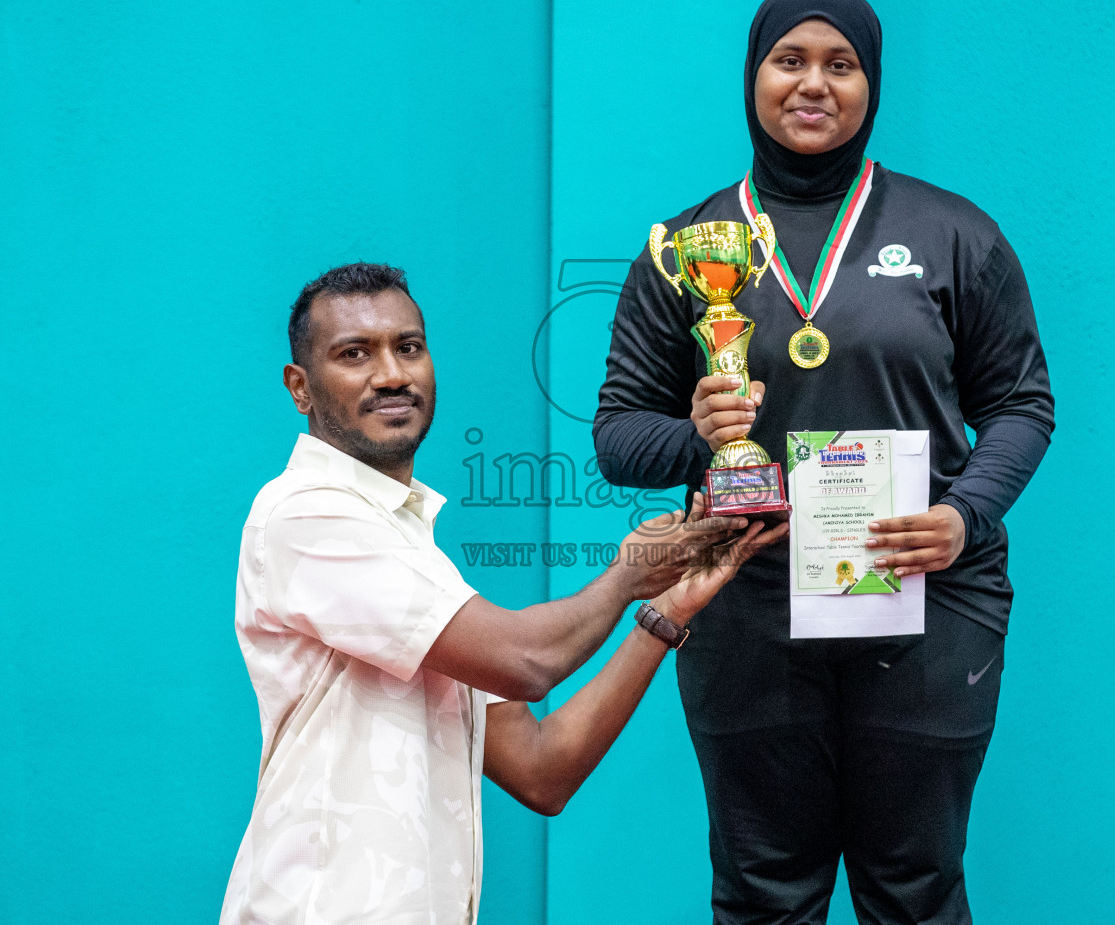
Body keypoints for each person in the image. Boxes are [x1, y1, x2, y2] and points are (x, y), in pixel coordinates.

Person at [594, 0, 1055, 924]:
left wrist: (965, 518)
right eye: (789, 61)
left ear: (871, 83)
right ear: (753, 76)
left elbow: (1021, 404)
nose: (814, 85)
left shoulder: (953, 234)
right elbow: (617, 437)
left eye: (839, 65)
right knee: (765, 896)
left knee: (916, 890)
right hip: (746, 600)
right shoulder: (685, 248)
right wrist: (699, 433)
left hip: (924, 597)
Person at [220, 262, 785, 925]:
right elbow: (527, 660)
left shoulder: (409, 553)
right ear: (300, 388)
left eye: (408, 347)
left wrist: (662, 615)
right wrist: (629, 573)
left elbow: (543, 770)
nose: (393, 374)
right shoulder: (306, 513)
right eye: (354, 354)